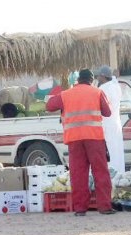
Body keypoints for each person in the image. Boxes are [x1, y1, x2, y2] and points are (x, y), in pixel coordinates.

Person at [46, 69, 115, 216]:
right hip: (94, 138)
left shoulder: (66, 94)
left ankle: (80, 209)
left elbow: (49, 105)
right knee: (100, 172)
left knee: (78, 174)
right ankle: (104, 207)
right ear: (91, 80)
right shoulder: (97, 92)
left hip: (74, 139)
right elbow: (108, 112)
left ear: (78, 80)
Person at [97, 65, 125, 174]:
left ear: (103, 76)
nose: (97, 77)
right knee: (117, 150)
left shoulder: (103, 89)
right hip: (116, 122)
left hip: (106, 123)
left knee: (110, 150)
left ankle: (112, 174)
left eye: (99, 75)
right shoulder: (115, 86)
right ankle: (119, 173)